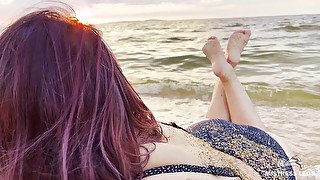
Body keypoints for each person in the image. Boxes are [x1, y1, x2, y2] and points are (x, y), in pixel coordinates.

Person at [0, 6, 299, 180]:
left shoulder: (129, 162)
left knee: (259, 151)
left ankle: (227, 73)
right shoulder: (117, 144)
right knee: (220, 133)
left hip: (257, 158)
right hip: (198, 138)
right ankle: (225, 70)